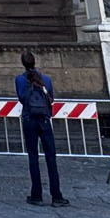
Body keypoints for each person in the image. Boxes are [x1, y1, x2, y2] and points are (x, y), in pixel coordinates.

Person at [15, 51, 69, 208]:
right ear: (34, 62)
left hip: (29, 120)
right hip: (44, 120)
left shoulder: (20, 79)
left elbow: (22, 98)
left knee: (33, 157)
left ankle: (36, 195)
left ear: (23, 63)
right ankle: (56, 196)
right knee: (51, 158)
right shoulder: (46, 79)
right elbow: (51, 98)